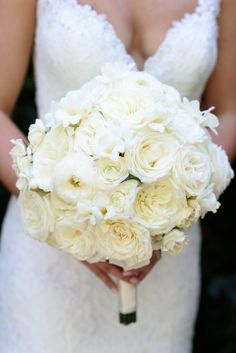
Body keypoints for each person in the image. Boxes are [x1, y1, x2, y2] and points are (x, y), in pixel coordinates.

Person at [0, 0, 235, 352]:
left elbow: (228, 112)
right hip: (49, 258)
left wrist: (177, 210)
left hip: (166, 256)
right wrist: (61, 214)